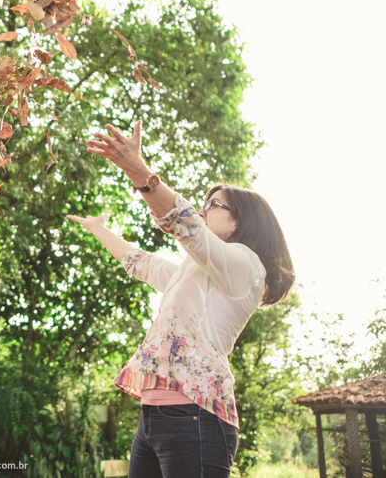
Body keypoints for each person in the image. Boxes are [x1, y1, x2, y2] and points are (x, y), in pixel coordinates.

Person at [67, 122, 294, 478]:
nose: (202, 210)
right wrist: (100, 230)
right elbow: (143, 264)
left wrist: (138, 171)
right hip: (152, 419)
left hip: (197, 418)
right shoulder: (193, 274)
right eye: (203, 204)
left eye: (213, 204)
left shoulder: (247, 267)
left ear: (240, 223)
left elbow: (188, 226)